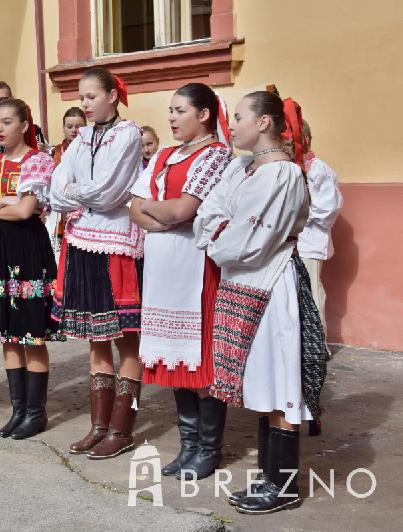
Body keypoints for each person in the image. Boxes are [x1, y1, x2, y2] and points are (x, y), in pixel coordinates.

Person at [193, 92, 323, 514]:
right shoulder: (241, 167)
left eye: (239, 118)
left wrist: (222, 236)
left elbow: (250, 240)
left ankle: (283, 486)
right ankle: (269, 476)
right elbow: (208, 215)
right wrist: (221, 232)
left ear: (264, 122)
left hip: (270, 284)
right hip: (240, 281)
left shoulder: (282, 174)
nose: (231, 126)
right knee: (261, 379)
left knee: (281, 379)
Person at [129, 83, 232, 480]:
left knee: (199, 359)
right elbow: (134, 209)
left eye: (180, 110)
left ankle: (209, 448)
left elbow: (184, 209)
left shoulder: (217, 156)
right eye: (170, 110)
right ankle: (188, 446)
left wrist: (160, 212)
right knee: (171, 356)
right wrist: (165, 214)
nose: (171, 117)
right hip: (162, 267)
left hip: (196, 265)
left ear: (204, 114)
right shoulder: (167, 155)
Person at [50, 67, 143, 460]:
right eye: (81, 97)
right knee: (95, 337)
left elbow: (111, 192)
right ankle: (99, 426)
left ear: (111, 96)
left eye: (91, 96)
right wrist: (79, 195)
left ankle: (123, 427)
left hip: (116, 245)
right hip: (82, 242)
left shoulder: (129, 134)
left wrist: (78, 195)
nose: (84, 104)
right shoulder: (81, 137)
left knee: (127, 339)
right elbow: (56, 187)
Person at [0, 98, 62, 440]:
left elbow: (26, 212)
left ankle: (35, 412)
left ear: (24, 125)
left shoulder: (38, 162)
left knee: (30, 332)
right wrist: (4, 202)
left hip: (26, 246)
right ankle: (18, 409)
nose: (0, 129)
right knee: (7, 331)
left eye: (7, 122)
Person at [296, 120, 342, 343]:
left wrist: (297, 214)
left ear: (303, 139)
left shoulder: (317, 169)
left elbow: (327, 208)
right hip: (292, 242)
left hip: (309, 242)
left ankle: (317, 345)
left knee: (312, 293)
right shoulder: (292, 168)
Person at [45, 107, 86, 259]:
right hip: (57, 211)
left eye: (79, 126)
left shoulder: (91, 151)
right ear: (63, 128)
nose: (74, 130)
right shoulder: (53, 153)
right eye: (69, 127)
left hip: (81, 208)